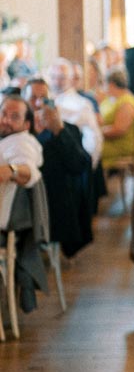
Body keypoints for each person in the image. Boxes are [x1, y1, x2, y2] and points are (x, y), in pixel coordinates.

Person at [24, 77, 93, 258]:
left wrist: (58, 130)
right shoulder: (18, 131)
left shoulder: (66, 131)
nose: (39, 103)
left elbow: (79, 166)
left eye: (44, 98)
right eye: (33, 98)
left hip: (52, 208)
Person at [0, 93, 42, 231]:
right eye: (4, 114)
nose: (6, 120)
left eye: (15, 117)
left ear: (26, 125)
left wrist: (12, 170)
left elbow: (28, 170)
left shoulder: (21, 142)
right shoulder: (6, 139)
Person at [99, 69, 134, 171]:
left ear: (111, 84)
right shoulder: (111, 98)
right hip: (106, 139)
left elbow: (119, 130)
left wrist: (98, 132)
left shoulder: (127, 102)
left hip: (118, 144)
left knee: (89, 150)